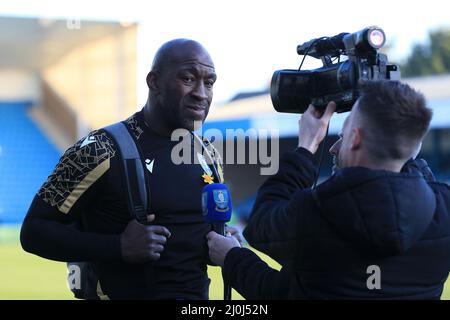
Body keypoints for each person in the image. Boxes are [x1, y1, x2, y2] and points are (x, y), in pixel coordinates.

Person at [21, 39, 238, 300]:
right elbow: (34, 231)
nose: (201, 93)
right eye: (188, 79)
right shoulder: (99, 149)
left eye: (209, 82)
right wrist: (118, 247)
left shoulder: (208, 154)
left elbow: (191, 242)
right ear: (154, 81)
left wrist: (222, 242)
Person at [207, 80, 450, 299]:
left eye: (342, 136)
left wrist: (306, 146)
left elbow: (261, 224)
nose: (333, 148)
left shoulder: (317, 211)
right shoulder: (444, 211)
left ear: (355, 139)